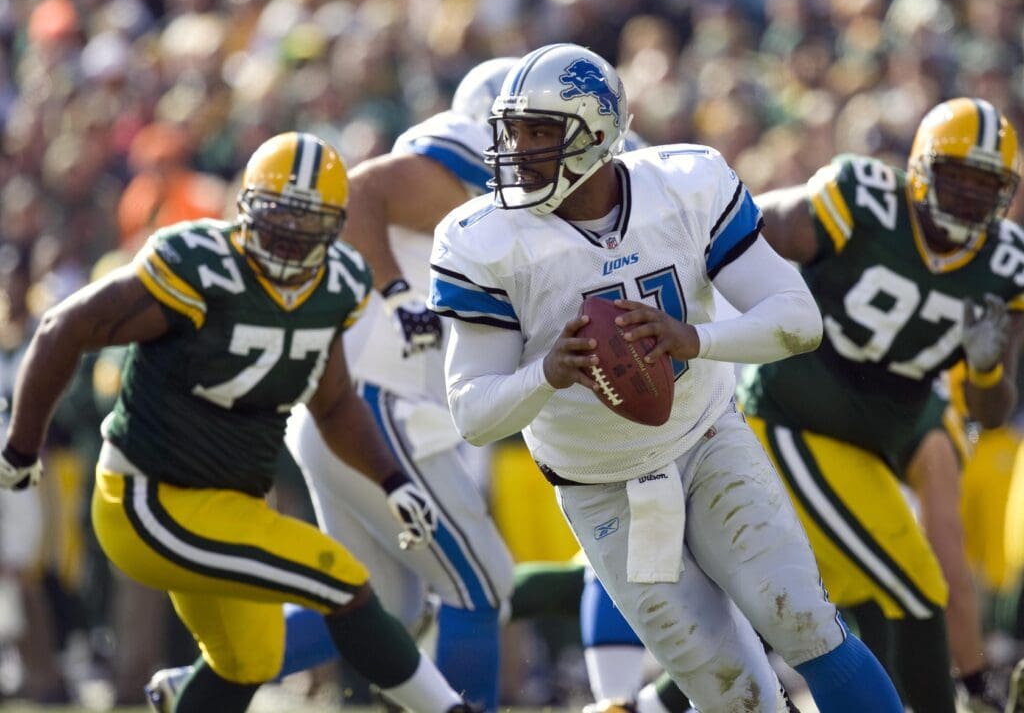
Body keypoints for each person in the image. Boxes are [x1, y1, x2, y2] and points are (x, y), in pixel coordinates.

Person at [428, 42, 903, 713]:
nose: (519, 149)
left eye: (541, 132)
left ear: (595, 135)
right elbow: (473, 414)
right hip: (601, 486)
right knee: (727, 689)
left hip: (707, 437)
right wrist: (548, 373)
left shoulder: (685, 185)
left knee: (804, 622)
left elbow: (798, 318)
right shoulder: (483, 241)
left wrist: (695, 339)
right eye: (513, 131)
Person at [0, 131, 480, 713]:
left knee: (249, 660)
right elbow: (62, 329)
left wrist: (392, 479)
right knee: (343, 578)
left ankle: (186, 699)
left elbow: (332, 404)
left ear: (334, 225)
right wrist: (21, 449)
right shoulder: (201, 266)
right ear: (247, 209)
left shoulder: (338, 285)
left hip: (236, 506)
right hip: (150, 497)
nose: (291, 236)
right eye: (279, 217)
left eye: (309, 222)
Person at [736, 97, 1024, 713]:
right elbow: (747, 230)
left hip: (872, 440)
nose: (971, 199)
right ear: (920, 169)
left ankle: (655, 702)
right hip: (794, 414)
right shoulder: (864, 198)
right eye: (958, 179)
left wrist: (985, 363)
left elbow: (990, 413)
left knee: (860, 602)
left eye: (986, 186)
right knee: (917, 587)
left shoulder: (1005, 265)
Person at [276, 57, 519, 712]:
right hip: (379, 406)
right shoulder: (469, 155)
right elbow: (359, 194)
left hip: (358, 408)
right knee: (482, 583)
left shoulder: (523, 206)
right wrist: (398, 293)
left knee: (375, 607)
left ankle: (201, 684)